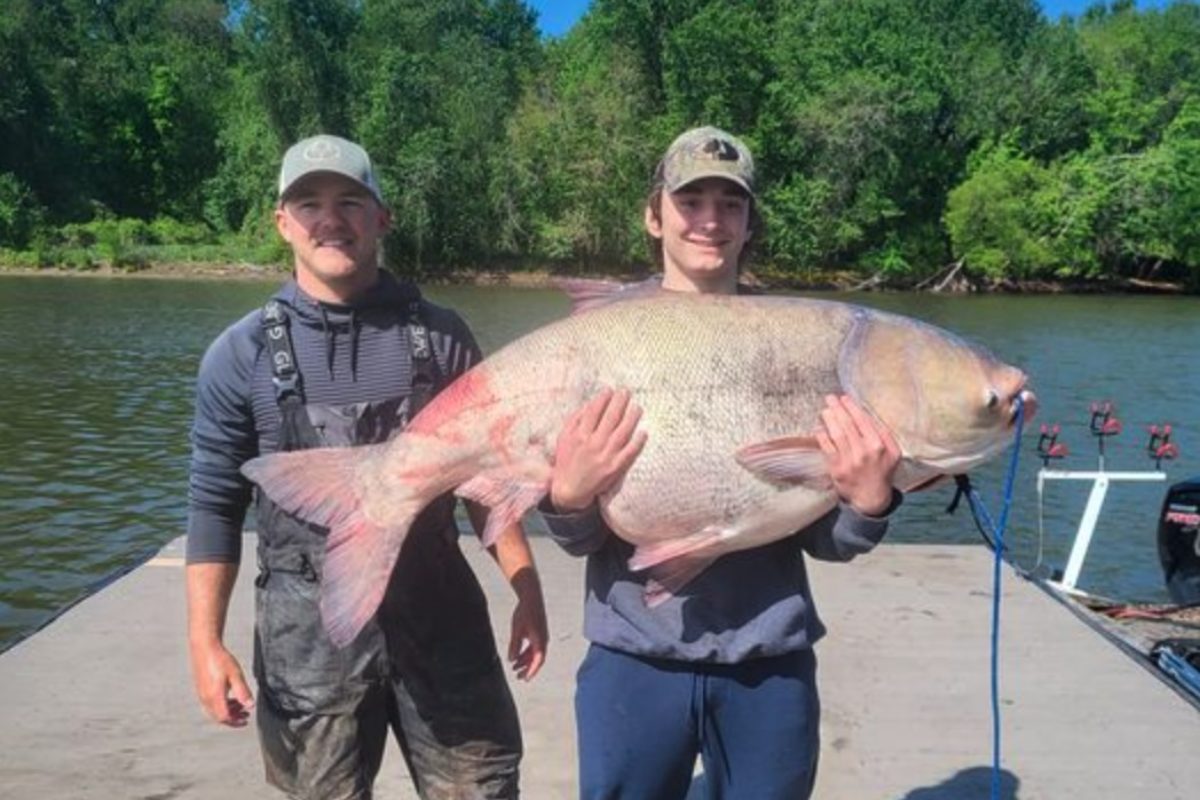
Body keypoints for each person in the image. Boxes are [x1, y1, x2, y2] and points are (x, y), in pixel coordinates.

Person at [540, 126, 903, 799]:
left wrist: (868, 503)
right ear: (654, 215)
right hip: (632, 654)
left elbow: (824, 536)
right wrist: (567, 498)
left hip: (767, 659)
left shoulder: (798, 342)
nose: (711, 220)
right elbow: (579, 536)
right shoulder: (600, 342)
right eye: (691, 200)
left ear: (748, 222)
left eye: (730, 204)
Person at [185, 133, 547, 800]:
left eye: (350, 200)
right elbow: (212, 506)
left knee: (484, 789)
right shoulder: (238, 357)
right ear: (282, 223)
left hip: (442, 621)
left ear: (380, 217)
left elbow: (486, 480)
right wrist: (206, 644)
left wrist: (526, 585)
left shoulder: (443, 338)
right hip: (308, 635)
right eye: (310, 202)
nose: (331, 218)